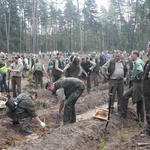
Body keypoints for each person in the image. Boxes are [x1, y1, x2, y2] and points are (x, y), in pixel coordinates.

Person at [121, 50, 145, 122]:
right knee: (139, 101)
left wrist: (139, 77)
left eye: (132, 55)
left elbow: (140, 70)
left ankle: (123, 114)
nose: (131, 57)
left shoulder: (137, 62)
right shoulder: (140, 61)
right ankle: (141, 118)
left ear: (135, 55)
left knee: (125, 96)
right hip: (139, 84)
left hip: (137, 84)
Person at [142, 43, 150, 136]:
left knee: (148, 110)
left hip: (148, 90)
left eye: (148, 47)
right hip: (147, 89)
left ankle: (149, 130)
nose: (147, 49)